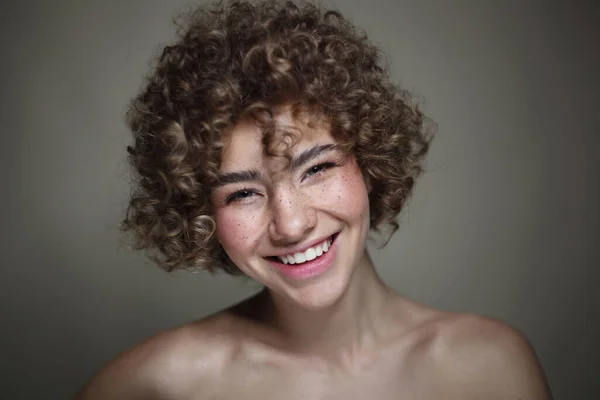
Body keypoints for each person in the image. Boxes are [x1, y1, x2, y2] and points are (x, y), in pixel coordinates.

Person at [76, 0, 552, 398]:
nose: (291, 224)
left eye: (318, 168)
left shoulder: (490, 367)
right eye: (242, 193)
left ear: (369, 160)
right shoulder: (159, 385)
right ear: (200, 214)